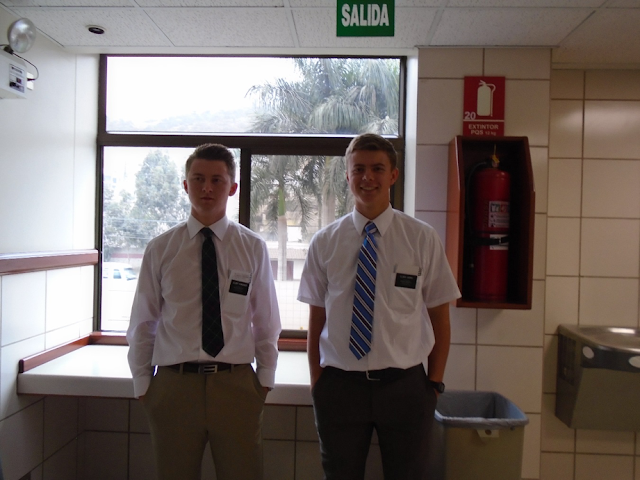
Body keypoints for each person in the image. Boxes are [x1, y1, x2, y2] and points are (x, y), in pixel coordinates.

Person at [298, 133, 461, 480]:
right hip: (340, 388)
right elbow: (316, 317)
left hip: (405, 388)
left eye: (377, 169)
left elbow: (440, 317)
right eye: (358, 169)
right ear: (347, 175)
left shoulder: (421, 238)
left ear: (393, 175)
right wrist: (317, 382)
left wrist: (433, 385)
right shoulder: (325, 242)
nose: (367, 177)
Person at [127, 143, 281, 480]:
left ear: (233, 187)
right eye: (198, 179)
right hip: (174, 387)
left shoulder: (252, 246)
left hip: (237, 385)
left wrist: (264, 379)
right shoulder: (161, 249)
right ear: (185, 185)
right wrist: (143, 382)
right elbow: (144, 320)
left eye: (217, 180)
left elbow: (266, 320)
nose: (207, 188)